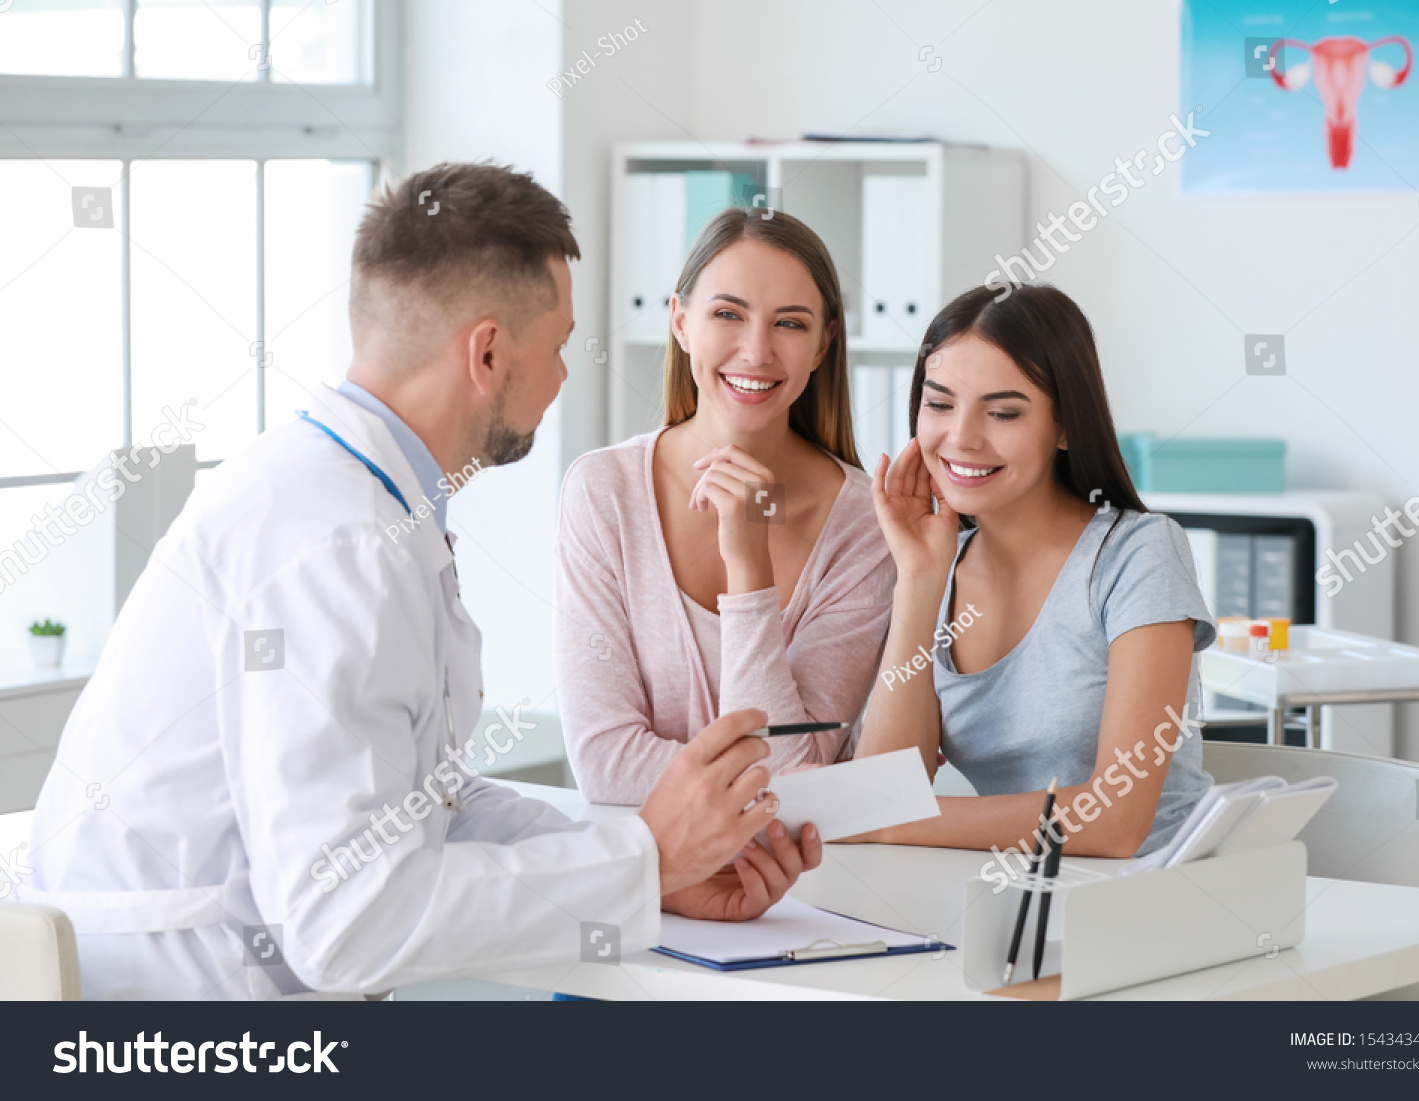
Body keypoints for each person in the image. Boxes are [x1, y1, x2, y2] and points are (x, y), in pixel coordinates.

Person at [19, 162, 819, 1000]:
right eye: (556, 347)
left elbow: (420, 803)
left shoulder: (351, 494)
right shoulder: (339, 544)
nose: (562, 378)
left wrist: (656, 870)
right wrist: (641, 855)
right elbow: (348, 922)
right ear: (487, 352)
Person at [854, 283, 1215, 859]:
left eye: (1002, 412)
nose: (962, 438)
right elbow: (884, 789)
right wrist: (919, 579)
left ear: (1068, 426)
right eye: (940, 404)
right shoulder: (935, 567)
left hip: (1159, 892)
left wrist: (897, 823)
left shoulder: (1139, 553)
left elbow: (1116, 821)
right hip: (1020, 897)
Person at [555, 208, 896, 805]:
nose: (756, 351)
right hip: (647, 879)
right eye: (728, 314)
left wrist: (749, 567)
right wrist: (766, 783)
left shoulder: (865, 524)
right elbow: (604, 762)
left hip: (807, 889)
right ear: (681, 322)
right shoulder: (603, 491)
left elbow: (790, 761)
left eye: (789, 323)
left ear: (823, 345)